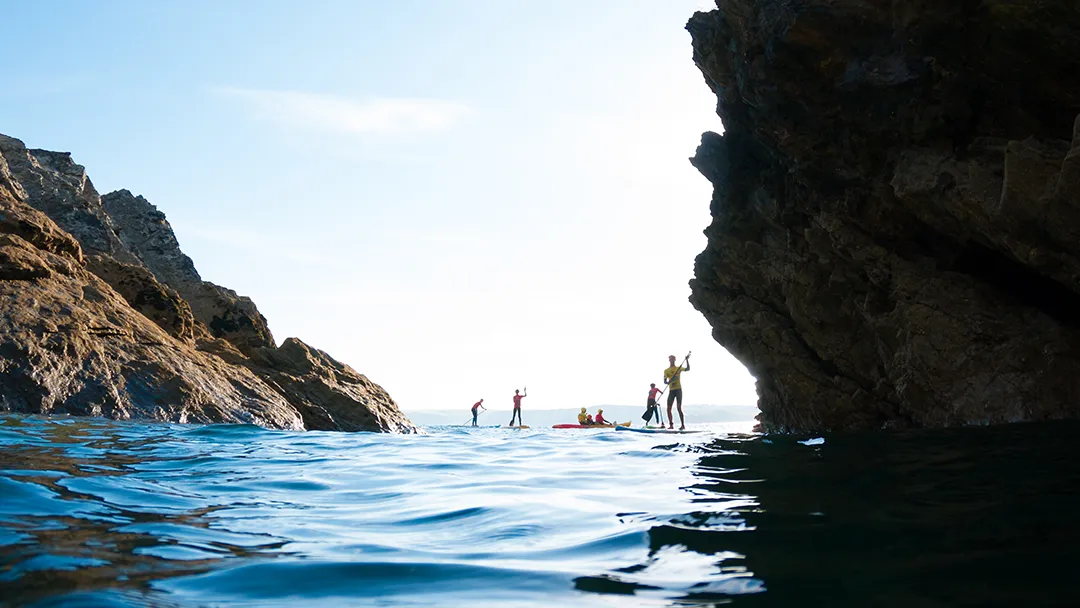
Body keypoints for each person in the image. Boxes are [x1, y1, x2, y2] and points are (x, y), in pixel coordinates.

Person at [664, 354, 690, 430]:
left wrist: (687, 360)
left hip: (678, 390)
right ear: (669, 360)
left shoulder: (678, 368)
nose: (671, 360)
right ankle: (671, 425)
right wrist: (668, 382)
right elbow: (665, 381)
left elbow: (688, 369)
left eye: (673, 359)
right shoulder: (666, 371)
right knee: (668, 408)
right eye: (670, 359)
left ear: (675, 360)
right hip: (671, 391)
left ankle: (683, 425)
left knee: (679, 408)